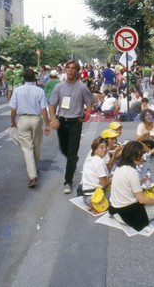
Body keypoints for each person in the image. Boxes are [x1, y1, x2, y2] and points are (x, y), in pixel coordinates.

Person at [49, 59, 95, 194]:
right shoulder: (59, 87)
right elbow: (52, 105)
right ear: (65, 70)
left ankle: (67, 182)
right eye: (68, 68)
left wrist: (87, 114)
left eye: (73, 68)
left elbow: (89, 102)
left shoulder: (81, 87)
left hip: (75, 122)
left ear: (77, 71)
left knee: (71, 153)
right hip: (61, 122)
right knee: (64, 149)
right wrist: (53, 119)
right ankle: (73, 159)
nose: (70, 70)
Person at [109, 141, 154, 231]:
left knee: (150, 196)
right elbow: (142, 200)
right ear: (132, 156)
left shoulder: (120, 167)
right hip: (128, 214)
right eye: (140, 155)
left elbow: (125, 183)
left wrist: (139, 181)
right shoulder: (132, 172)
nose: (143, 157)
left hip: (114, 209)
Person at [9, 69, 50, 188]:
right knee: (37, 145)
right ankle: (35, 168)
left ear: (23, 78)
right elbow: (43, 109)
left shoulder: (17, 90)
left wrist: (12, 121)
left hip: (23, 119)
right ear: (34, 78)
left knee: (27, 148)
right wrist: (47, 124)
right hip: (36, 119)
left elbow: (13, 109)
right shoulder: (39, 91)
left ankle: (32, 176)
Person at [79, 137, 112, 205]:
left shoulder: (89, 160)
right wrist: (113, 179)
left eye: (106, 147)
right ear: (95, 150)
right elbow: (104, 183)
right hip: (96, 199)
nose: (105, 149)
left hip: (86, 197)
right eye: (101, 147)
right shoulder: (99, 161)